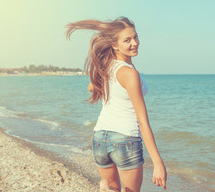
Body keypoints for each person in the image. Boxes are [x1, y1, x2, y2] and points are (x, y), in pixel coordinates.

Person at [65, 17, 167, 192]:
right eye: (127, 40)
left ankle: (107, 190)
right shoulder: (129, 74)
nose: (134, 43)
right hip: (125, 140)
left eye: (135, 37)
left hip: (100, 139)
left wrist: (111, 90)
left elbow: (91, 87)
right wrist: (158, 163)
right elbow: (143, 122)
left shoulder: (107, 67)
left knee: (114, 189)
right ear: (114, 45)